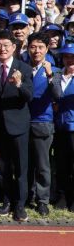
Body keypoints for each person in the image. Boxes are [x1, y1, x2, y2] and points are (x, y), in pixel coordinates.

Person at [0, 30, 34, 222]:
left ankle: (20, 205)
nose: (2, 49)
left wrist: (19, 84)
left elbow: (29, 96)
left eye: (6, 45)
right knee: (2, 167)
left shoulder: (23, 68)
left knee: (21, 168)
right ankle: (6, 200)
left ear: (14, 48)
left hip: (19, 127)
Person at [25, 32, 59, 217]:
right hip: (23, 124)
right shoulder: (22, 68)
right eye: (33, 47)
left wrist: (50, 75)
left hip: (43, 123)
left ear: (46, 49)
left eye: (40, 47)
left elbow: (57, 95)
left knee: (43, 165)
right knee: (26, 165)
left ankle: (43, 200)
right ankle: (28, 196)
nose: (36, 51)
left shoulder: (53, 70)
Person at [52, 44, 74, 211]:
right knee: (61, 164)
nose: (69, 60)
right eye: (66, 57)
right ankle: (62, 196)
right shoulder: (57, 76)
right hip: (59, 127)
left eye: (72, 57)